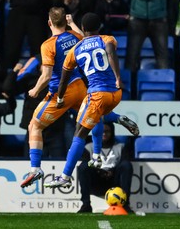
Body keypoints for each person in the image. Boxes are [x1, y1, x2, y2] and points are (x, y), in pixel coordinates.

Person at [21, 9, 138, 188]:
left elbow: (47, 75)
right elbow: (90, 40)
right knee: (94, 114)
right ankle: (100, 148)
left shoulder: (48, 45)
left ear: (49, 23)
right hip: (82, 88)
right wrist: (74, 25)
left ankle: (37, 168)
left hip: (64, 91)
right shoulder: (77, 37)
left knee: (35, 126)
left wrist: (36, 90)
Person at [43, 12, 125, 188]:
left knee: (79, 132)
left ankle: (65, 176)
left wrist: (61, 96)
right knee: (92, 113)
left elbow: (64, 78)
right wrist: (118, 77)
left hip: (98, 95)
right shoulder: (107, 38)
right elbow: (110, 52)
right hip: (115, 94)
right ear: (99, 27)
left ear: (84, 28)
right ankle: (97, 153)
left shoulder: (75, 49)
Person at [77, 122, 134, 213]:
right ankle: (86, 205)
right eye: (101, 132)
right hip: (96, 182)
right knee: (83, 167)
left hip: (115, 183)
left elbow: (124, 163)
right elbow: (86, 163)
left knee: (126, 165)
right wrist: (100, 171)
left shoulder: (121, 147)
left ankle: (125, 205)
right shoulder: (88, 147)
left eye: (107, 131)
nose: (104, 134)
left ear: (112, 133)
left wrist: (112, 171)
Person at [125, 0, 171, 73]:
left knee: (163, 59)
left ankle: (164, 87)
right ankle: (129, 88)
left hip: (159, 19)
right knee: (132, 57)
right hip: (137, 19)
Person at [3, 0, 51, 68]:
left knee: (38, 48)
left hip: (36, 15)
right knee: (12, 48)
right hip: (18, 13)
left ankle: (37, 76)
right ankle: (10, 75)